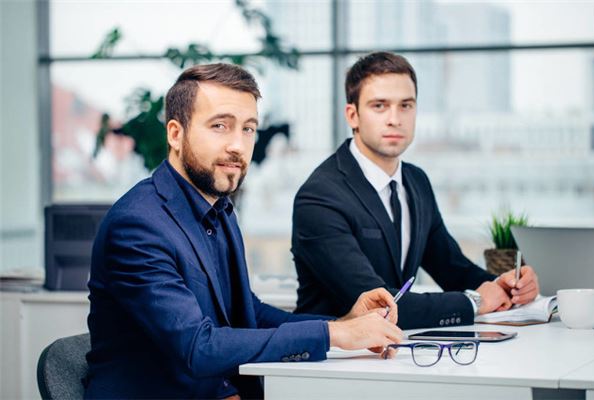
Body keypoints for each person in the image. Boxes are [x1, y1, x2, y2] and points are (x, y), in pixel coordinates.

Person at [85, 63, 403, 399]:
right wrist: (333, 336)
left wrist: (342, 325)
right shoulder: (137, 225)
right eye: (220, 126)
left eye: (248, 129)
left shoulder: (219, 210)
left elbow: (247, 314)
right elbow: (197, 347)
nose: (238, 145)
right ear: (175, 134)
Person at [292, 52, 540, 330]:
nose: (395, 119)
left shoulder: (416, 181)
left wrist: (506, 287)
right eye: (379, 106)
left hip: (399, 346)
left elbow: (452, 268)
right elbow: (379, 305)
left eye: (406, 106)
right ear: (353, 115)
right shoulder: (320, 197)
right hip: (332, 351)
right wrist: (475, 302)